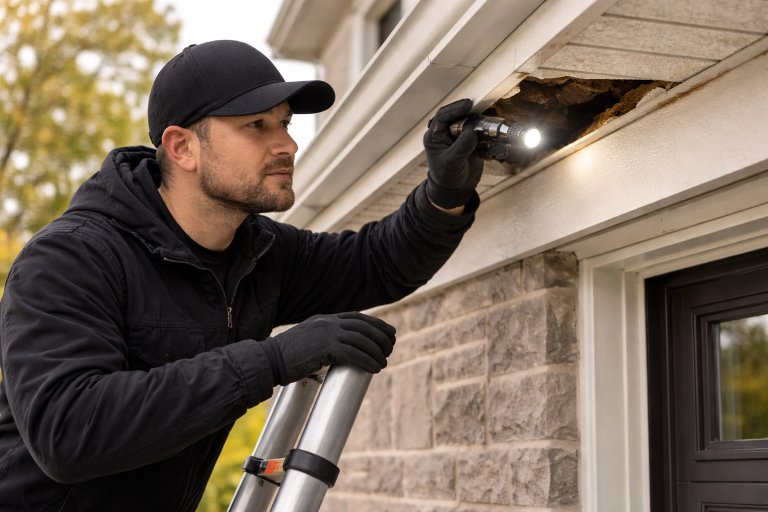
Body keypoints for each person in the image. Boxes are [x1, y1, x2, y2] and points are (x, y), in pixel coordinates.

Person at [0, 40, 483, 511]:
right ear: (182, 147)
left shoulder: (260, 251)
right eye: (256, 125)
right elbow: (68, 431)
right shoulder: (72, 257)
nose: (288, 144)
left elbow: (377, 262)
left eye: (286, 124)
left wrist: (443, 193)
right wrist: (272, 361)